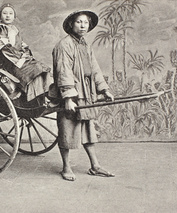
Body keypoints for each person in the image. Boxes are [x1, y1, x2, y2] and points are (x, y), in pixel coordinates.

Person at [51, 10, 115, 181]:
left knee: (88, 129)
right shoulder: (64, 45)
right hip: (70, 93)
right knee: (67, 129)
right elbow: (63, 71)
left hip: (86, 92)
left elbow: (94, 68)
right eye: (79, 22)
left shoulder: (85, 44)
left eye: (85, 23)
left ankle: (95, 166)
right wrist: (68, 98)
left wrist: (104, 90)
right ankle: (66, 167)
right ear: (71, 24)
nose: (82, 26)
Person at [0, 3, 52, 103]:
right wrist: (20, 58)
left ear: (14, 17)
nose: (8, 16)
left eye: (10, 13)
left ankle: (43, 96)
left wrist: (26, 55)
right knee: (37, 68)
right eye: (5, 13)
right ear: (0, 16)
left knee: (43, 67)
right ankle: (33, 98)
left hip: (19, 60)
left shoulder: (15, 30)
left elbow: (23, 45)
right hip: (8, 63)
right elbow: (4, 49)